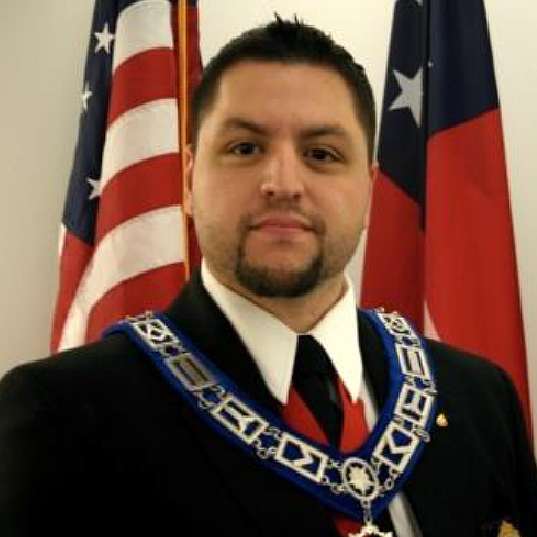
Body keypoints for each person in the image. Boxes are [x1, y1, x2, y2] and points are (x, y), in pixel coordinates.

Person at [0, 16, 536, 537]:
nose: (283, 183)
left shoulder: (479, 398)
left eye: (321, 154)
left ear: (370, 192)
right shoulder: (63, 415)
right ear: (188, 180)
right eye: (245, 148)